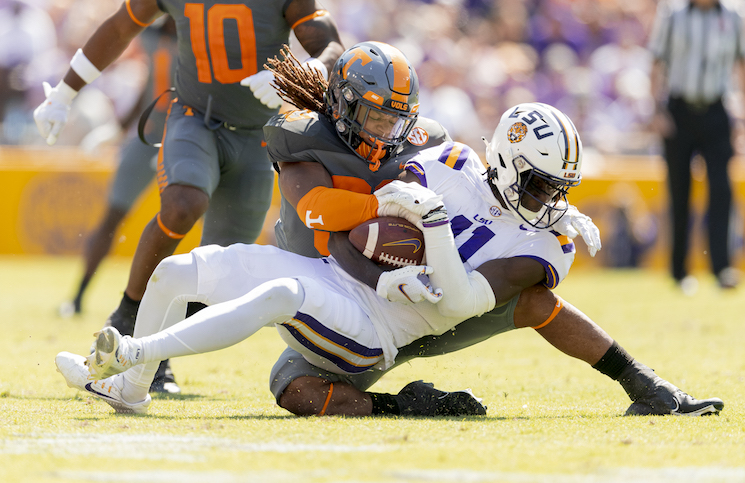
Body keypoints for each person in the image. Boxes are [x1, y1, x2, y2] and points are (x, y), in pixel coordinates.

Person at [55, 102, 724, 418]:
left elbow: (458, 302)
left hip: (379, 330)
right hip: (347, 283)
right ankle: (131, 390)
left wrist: (429, 230)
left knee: (278, 293)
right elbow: (360, 232)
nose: (551, 200)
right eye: (542, 184)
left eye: (560, 189)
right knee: (182, 270)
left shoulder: (546, 242)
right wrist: (380, 266)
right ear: (507, 162)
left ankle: (131, 354)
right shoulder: (451, 161)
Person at [34, 0, 344, 392]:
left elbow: (329, 44)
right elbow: (119, 29)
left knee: (218, 271)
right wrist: (63, 93)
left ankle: (154, 354)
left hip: (255, 137)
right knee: (183, 202)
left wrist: (307, 70)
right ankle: (127, 314)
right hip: (193, 117)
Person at [59, 17, 177, 319]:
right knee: (113, 215)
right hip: (149, 134)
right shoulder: (151, 33)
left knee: (183, 216)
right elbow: (152, 89)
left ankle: (179, 309)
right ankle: (78, 295)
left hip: (188, 135)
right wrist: (120, 127)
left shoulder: (201, 29)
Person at [648, 0, 744, 292]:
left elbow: (741, 64)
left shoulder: (734, 14)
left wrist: (740, 114)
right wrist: (657, 110)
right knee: (679, 190)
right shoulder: (673, 13)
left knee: (721, 190)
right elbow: (656, 62)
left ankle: (722, 268)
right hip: (679, 110)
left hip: (717, 110)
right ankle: (679, 272)